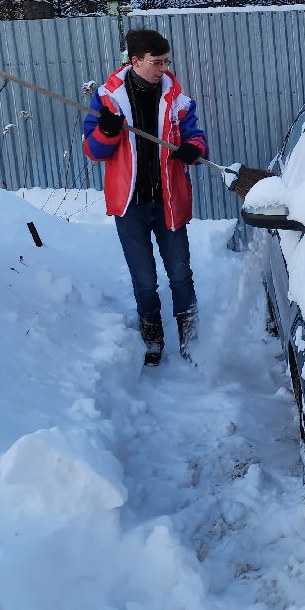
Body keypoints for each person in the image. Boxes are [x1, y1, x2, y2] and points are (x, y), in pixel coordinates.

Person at [82, 29, 209, 367]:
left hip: (169, 201)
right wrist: (107, 131)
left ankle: (192, 341)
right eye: (156, 62)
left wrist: (191, 149)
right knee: (145, 280)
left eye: (166, 61)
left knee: (181, 274)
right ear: (135, 61)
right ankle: (152, 341)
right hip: (130, 205)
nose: (163, 68)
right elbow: (93, 150)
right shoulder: (108, 98)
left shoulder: (177, 98)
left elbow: (196, 139)